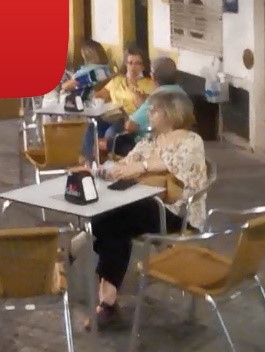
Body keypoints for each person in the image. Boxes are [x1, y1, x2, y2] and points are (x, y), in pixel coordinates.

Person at [87, 89, 207, 328]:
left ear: (171, 113)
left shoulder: (191, 141)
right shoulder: (150, 141)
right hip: (143, 206)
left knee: (111, 221)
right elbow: (126, 164)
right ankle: (107, 302)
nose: (148, 113)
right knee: (111, 224)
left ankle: (106, 301)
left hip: (177, 213)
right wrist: (102, 171)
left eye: (154, 110)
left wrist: (141, 167)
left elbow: (176, 165)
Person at [83, 46, 156, 163]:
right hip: (111, 115)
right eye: (130, 63)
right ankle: (89, 162)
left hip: (130, 119)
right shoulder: (117, 80)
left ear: (143, 66)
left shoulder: (148, 84)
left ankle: (106, 161)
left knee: (111, 132)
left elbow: (143, 107)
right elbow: (98, 95)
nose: (133, 67)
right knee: (93, 126)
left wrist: (133, 85)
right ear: (126, 64)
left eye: (137, 63)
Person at [122, 56, 192, 149]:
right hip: (179, 141)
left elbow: (130, 126)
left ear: (153, 76)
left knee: (111, 140)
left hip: (151, 144)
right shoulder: (182, 93)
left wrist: (125, 117)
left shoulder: (157, 98)